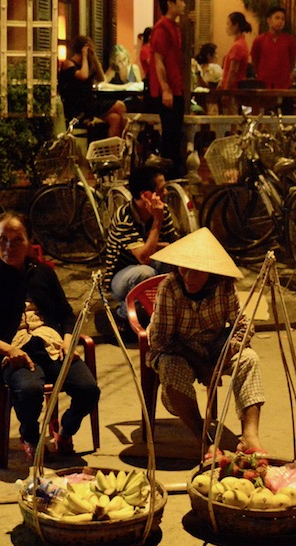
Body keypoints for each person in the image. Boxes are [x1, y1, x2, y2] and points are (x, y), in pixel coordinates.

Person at [0, 212, 100, 463]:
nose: (9, 246)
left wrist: (69, 340)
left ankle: (65, 432)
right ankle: (30, 437)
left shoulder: (44, 273)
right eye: (3, 239)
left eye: (17, 239)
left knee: (88, 390)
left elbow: (66, 314)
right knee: (28, 390)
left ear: (29, 242)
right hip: (15, 350)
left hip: (51, 344)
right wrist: (7, 350)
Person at [146, 228, 266, 457]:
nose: (189, 278)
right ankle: (205, 438)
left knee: (249, 359)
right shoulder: (169, 288)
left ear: (211, 273)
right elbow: (161, 339)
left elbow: (243, 325)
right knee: (172, 369)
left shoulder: (223, 286)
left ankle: (250, 436)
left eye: (197, 272)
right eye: (185, 269)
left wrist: (228, 351)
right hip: (177, 349)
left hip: (213, 346)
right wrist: (201, 365)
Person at [101, 165, 179, 321]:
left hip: (150, 266)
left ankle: (152, 307)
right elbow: (144, 258)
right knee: (146, 273)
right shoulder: (124, 217)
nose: (165, 193)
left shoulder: (164, 210)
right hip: (121, 277)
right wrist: (157, 221)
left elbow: (176, 247)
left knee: (173, 264)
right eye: (161, 190)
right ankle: (124, 311)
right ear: (146, 195)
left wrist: (151, 246)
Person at [58, 35, 126, 137]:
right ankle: (126, 142)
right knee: (120, 106)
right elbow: (83, 76)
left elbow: (102, 78)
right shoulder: (69, 63)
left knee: (115, 118)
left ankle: (114, 150)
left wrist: (94, 58)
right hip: (79, 106)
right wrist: (85, 56)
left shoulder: (86, 64)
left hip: (89, 103)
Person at [150, 0, 188, 179]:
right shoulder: (161, 28)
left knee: (176, 134)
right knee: (170, 135)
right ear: (171, 3)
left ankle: (174, 176)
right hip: (167, 91)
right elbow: (158, 60)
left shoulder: (176, 27)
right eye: (181, 1)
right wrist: (165, 89)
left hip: (177, 88)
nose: (184, 4)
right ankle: (166, 177)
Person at [250, 5, 296, 90]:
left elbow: (292, 60)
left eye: (283, 19)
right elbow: (254, 61)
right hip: (264, 85)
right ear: (269, 20)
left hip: (284, 86)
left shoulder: (290, 40)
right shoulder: (259, 40)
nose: (280, 21)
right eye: (277, 18)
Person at [219, 12, 252, 92]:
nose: (227, 27)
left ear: (236, 25)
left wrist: (227, 92)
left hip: (233, 89)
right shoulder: (242, 43)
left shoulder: (238, 46)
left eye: (228, 24)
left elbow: (233, 72)